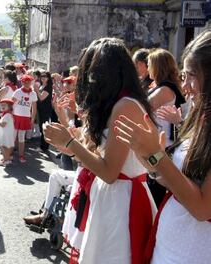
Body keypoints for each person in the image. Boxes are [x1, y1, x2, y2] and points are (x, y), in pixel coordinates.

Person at [43, 38, 157, 264]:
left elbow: (110, 171)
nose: (88, 80)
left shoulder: (125, 106)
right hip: (111, 198)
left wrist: (70, 144)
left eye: (92, 74)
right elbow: (96, 157)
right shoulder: (117, 103)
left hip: (122, 204)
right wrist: (67, 135)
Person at [114, 30, 211, 264]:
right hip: (173, 247)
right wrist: (149, 159)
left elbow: (202, 209)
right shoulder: (201, 120)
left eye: (190, 76)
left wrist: (158, 157)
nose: (184, 86)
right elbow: (177, 180)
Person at [147, 49, 185, 206]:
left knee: (154, 194)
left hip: (163, 150)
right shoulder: (165, 88)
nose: (148, 67)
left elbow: (140, 108)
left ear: (157, 66)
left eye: (149, 64)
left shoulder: (165, 90)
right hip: (163, 148)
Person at [12, 74, 37, 163]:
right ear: (22, 82)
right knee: (13, 136)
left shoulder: (33, 94)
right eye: (25, 82)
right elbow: (11, 104)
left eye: (29, 82)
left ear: (31, 82)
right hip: (15, 116)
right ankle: (9, 154)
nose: (27, 84)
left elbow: (34, 107)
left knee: (22, 138)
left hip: (26, 117)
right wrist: (10, 115)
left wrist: (32, 119)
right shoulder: (18, 92)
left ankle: (21, 155)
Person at [0, 98, 15, 167]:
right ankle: (7, 158)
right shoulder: (7, 114)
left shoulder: (7, 115)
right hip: (7, 133)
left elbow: (2, 125)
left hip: (5, 134)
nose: (2, 106)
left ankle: (7, 160)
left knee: (2, 146)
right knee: (7, 147)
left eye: (4, 105)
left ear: (9, 107)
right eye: (1, 105)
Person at [34, 71, 53, 151]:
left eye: (45, 77)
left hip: (45, 110)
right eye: (41, 76)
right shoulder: (42, 85)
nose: (43, 78)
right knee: (41, 127)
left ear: (48, 78)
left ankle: (44, 146)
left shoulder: (48, 87)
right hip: (40, 109)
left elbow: (41, 98)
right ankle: (43, 145)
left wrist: (37, 90)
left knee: (44, 127)